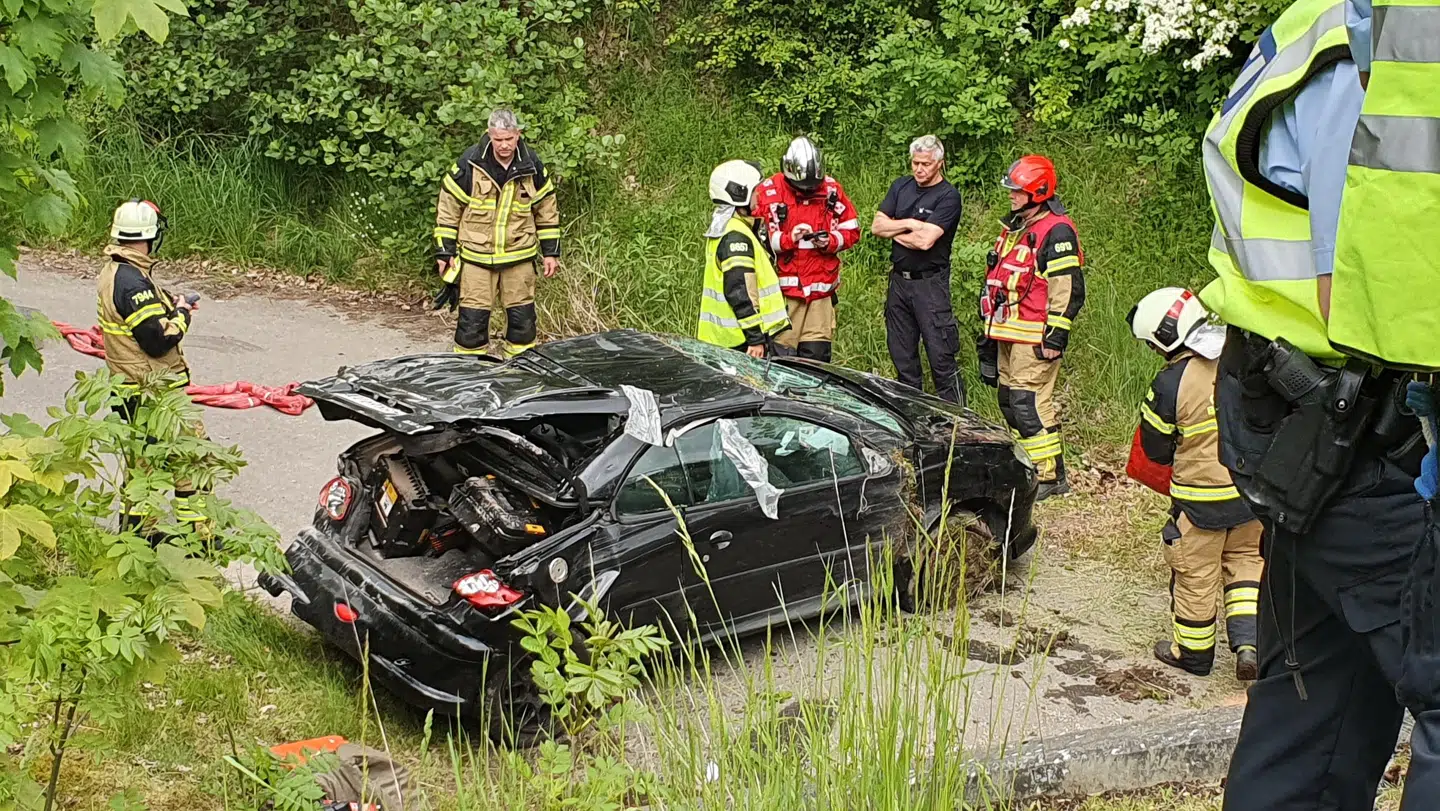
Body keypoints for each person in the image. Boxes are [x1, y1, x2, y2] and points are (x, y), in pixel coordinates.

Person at [1198, 0, 1439, 805]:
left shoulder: (1335, 23)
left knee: (1315, 717)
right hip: (1358, 439)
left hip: (1319, 430)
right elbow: (1372, 293)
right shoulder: (1387, 47)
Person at [1125, 288, 1263, 681]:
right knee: (1246, 565)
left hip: (1200, 503)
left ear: (1165, 336)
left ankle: (1194, 654)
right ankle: (1249, 646)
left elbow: (1155, 450)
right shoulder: (1245, 358)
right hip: (1250, 492)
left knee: (1195, 575)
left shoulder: (1170, 382)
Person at [977, 155, 1085, 499]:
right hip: (1009, 332)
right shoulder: (1018, 226)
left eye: (1017, 190)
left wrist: (1056, 335)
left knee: (1029, 403)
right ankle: (1030, 466)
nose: (1011, 195)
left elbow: (1066, 289)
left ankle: (1050, 476)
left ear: (1037, 191)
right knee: (1010, 401)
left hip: (1035, 335)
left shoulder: (1057, 230)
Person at [96, 199, 206, 528]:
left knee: (142, 464)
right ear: (149, 235)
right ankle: (198, 535)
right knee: (192, 456)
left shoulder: (118, 271)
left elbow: (138, 317)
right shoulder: (132, 281)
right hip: (154, 390)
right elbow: (157, 341)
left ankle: (139, 535)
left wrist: (167, 305)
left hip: (128, 385)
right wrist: (183, 314)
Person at [433, 109, 561, 358]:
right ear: (489, 135)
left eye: (509, 139)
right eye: (498, 139)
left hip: (519, 256)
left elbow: (546, 209)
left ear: (518, 134)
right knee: (472, 326)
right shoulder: (470, 163)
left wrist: (551, 253)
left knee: (523, 325)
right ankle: (470, 375)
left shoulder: (531, 164)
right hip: (476, 258)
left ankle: (520, 375)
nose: (504, 145)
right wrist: (444, 251)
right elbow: (448, 209)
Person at [872, 135, 965, 404]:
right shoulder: (901, 186)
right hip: (899, 282)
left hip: (930, 285)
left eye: (925, 164)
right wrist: (911, 223)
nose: (919, 169)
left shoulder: (948, 196)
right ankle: (912, 413)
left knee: (941, 357)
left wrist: (895, 227)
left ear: (939, 164)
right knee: (902, 355)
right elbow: (877, 226)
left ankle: (958, 420)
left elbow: (925, 241)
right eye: (915, 163)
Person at [753, 136, 861, 363]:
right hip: (783, 295)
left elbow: (852, 228)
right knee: (781, 361)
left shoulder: (831, 190)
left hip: (820, 294)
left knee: (817, 361)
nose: (809, 191)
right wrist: (788, 239)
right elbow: (757, 239)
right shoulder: (769, 192)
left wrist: (831, 241)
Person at [696, 160, 790, 356]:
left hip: (723, 340)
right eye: (755, 191)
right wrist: (755, 339)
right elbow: (740, 292)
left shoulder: (727, 227)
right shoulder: (736, 236)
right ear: (740, 193)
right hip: (739, 343)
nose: (759, 196)